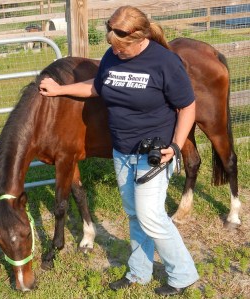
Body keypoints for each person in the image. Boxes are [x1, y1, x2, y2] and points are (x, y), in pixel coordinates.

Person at [39, 5, 199, 296]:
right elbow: (98, 86)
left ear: (139, 38)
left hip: (155, 152)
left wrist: (175, 146)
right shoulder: (113, 55)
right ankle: (139, 271)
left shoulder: (164, 63)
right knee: (135, 215)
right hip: (122, 151)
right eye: (113, 46)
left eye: (122, 48)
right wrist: (60, 90)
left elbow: (187, 106)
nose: (117, 53)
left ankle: (183, 273)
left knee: (151, 216)